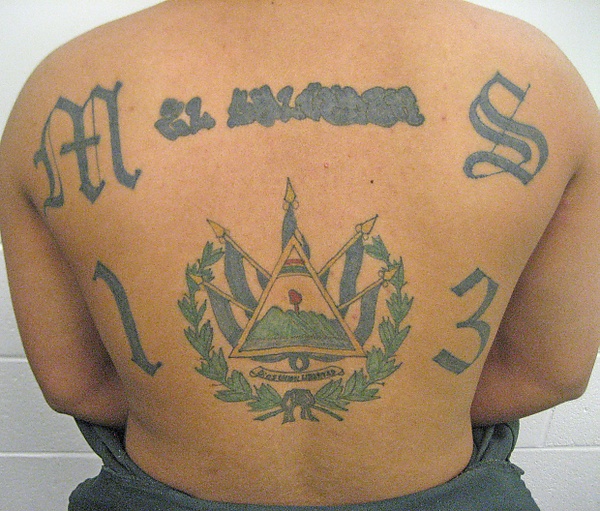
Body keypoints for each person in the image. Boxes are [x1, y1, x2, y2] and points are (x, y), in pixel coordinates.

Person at [0, 1, 598, 509]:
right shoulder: (540, 84)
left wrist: (197, 413)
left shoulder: (58, 97)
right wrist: (412, 411)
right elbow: (550, 372)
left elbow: (76, 386)